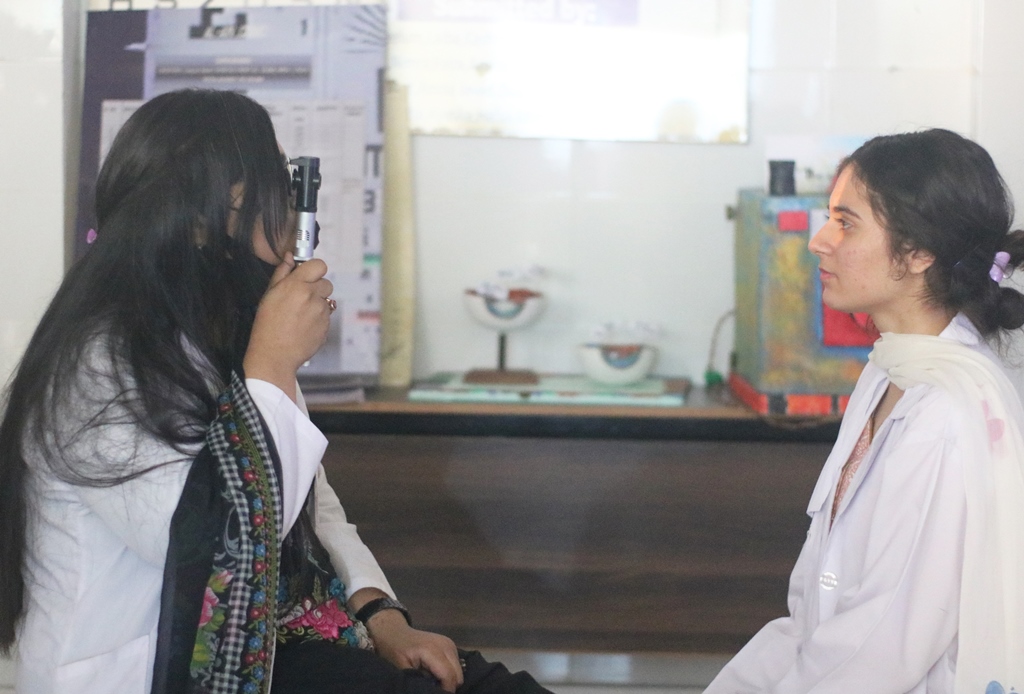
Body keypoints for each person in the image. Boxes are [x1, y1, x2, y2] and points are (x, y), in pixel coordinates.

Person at [0, 89, 552, 694]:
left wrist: (380, 613)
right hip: (161, 668)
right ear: (208, 219)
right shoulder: (102, 363)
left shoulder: (216, 332)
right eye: (277, 188)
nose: (294, 213)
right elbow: (210, 550)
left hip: (280, 639)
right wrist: (271, 363)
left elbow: (309, 501)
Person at [705, 129, 1024, 693]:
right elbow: (811, 617)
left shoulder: (946, 415)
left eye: (845, 223)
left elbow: (881, 650)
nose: (819, 241)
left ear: (919, 251)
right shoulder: (888, 370)